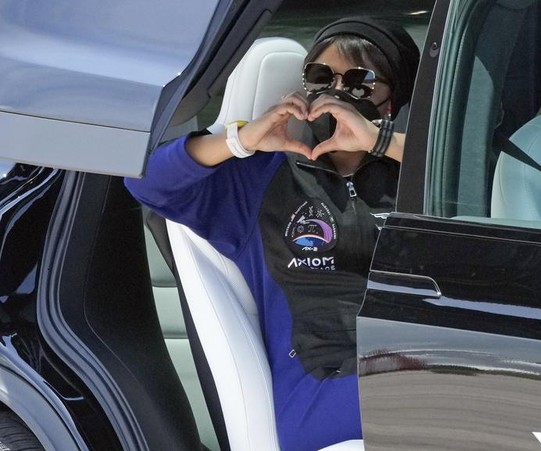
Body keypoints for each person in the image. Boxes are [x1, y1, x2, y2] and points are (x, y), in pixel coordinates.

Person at [125, 16, 420, 451]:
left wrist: (382, 143)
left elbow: (483, 189)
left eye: (359, 82)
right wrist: (241, 139)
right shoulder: (257, 181)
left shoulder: (427, 182)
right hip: (329, 400)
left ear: (392, 101)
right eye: (321, 77)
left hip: (433, 378)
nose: (335, 93)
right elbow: (144, 179)